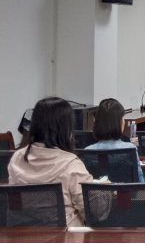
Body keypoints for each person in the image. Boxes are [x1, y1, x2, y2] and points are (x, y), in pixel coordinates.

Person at [8, 97, 94, 227]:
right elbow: (92, 211)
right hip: (66, 235)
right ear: (65, 129)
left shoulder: (17, 158)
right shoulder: (71, 164)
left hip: (24, 233)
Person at [85, 98, 145, 182]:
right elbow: (140, 181)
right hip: (125, 191)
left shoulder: (88, 151)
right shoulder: (130, 148)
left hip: (97, 191)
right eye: (122, 118)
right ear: (118, 123)